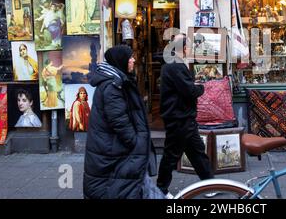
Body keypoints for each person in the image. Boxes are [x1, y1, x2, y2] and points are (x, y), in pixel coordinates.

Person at [84, 45, 163, 199]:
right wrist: (135, 142)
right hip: (112, 151)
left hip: (112, 149)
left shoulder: (116, 80)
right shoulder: (113, 86)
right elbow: (119, 121)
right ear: (121, 61)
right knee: (123, 188)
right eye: (130, 57)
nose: (133, 60)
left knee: (133, 186)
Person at [156, 33, 214, 198]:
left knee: (196, 152)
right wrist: (200, 88)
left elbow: (183, 87)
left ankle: (209, 184)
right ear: (184, 48)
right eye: (189, 47)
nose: (191, 49)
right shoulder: (175, 65)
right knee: (171, 155)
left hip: (182, 117)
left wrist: (191, 86)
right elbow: (189, 91)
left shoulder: (174, 64)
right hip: (178, 118)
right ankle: (161, 189)